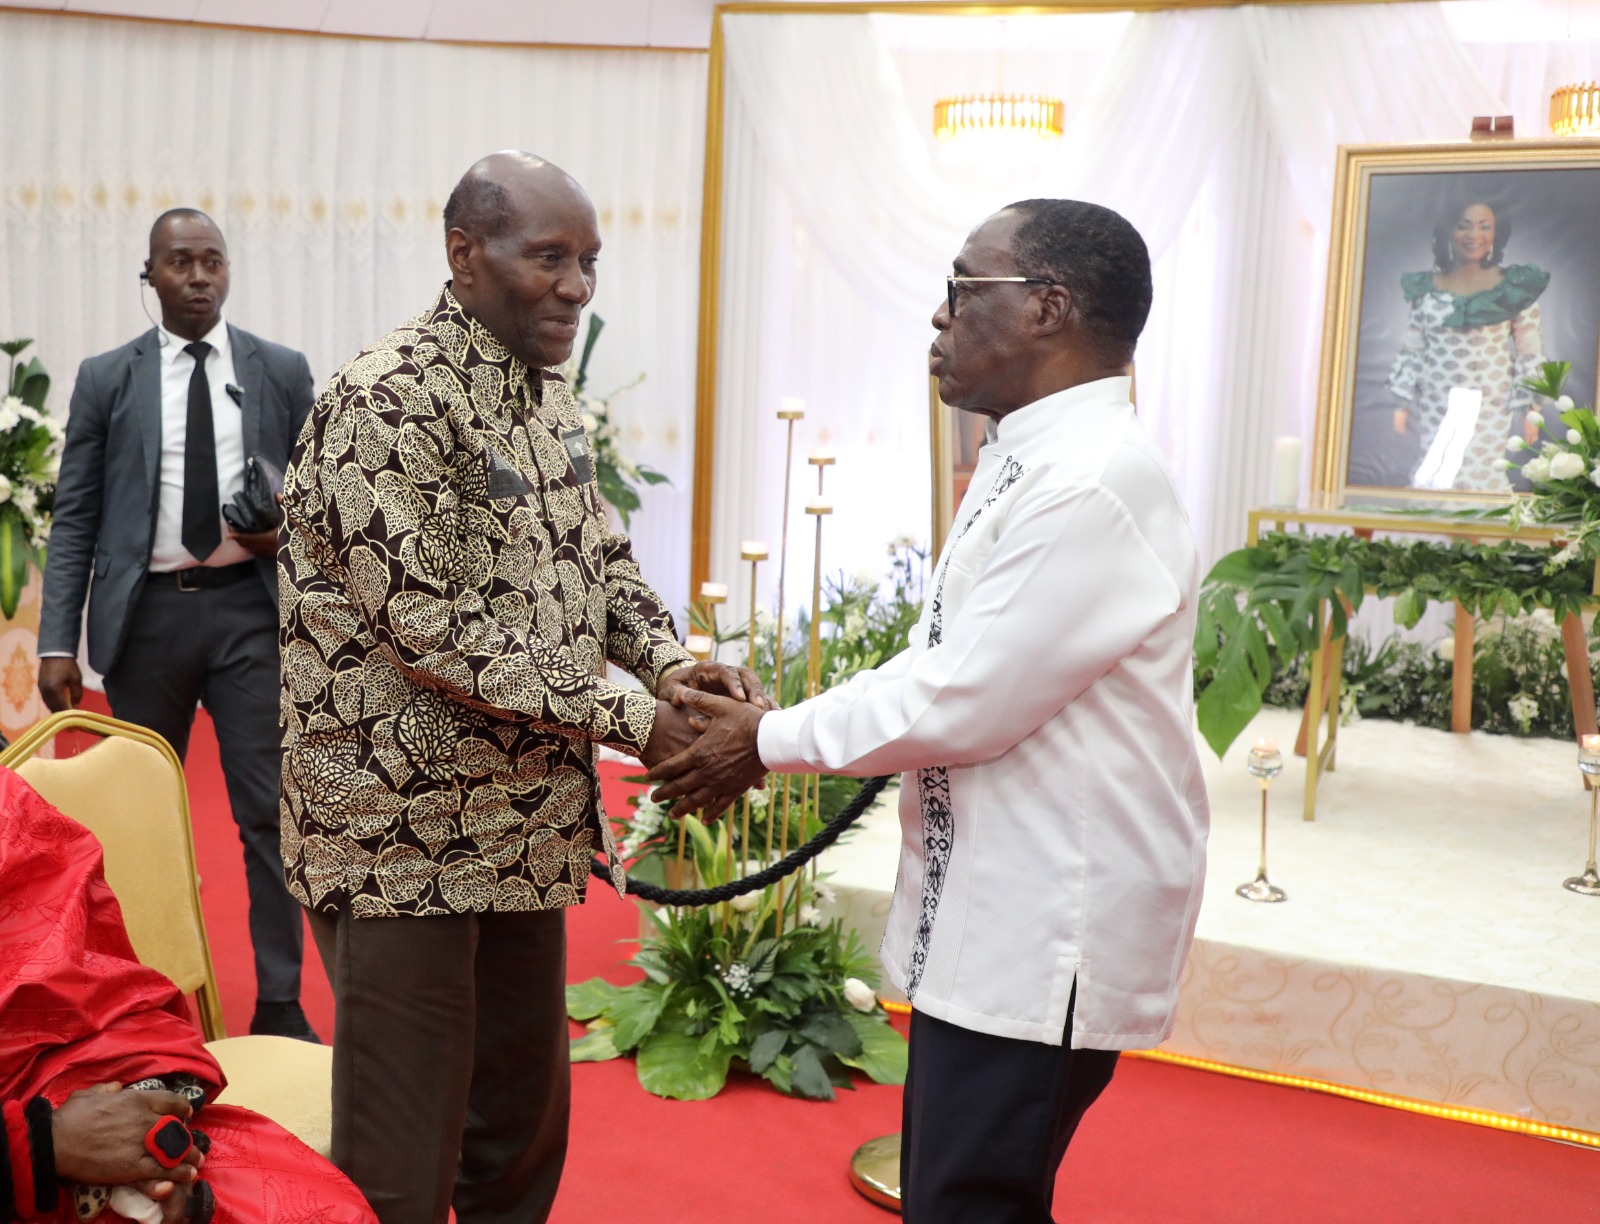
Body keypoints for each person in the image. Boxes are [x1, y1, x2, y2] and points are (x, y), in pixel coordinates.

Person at [648, 200, 1210, 1224]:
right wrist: (772, 728)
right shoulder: (1031, 454)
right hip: (1003, 899)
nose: (939, 317)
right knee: (953, 1194)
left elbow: (963, 699)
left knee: (967, 1204)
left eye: (963, 288)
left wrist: (763, 740)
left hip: (1050, 916)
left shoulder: (1090, 480)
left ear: (1047, 308)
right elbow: (945, 661)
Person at [279, 151, 767, 1224]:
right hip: (399, 838)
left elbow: (599, 563)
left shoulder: (546, 397)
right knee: (401, 1166)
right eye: (548, 257)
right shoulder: (388, 398)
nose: (576, 287)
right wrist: (637, 718)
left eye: (589, 261)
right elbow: (429, 627)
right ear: (465, 254)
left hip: (522, 827)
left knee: (516, 1145)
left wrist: (673, 666)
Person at [37, 209, 318, 1042]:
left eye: (213, 261)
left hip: (249, 614)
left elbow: (321, 502)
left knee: (269, 812)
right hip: (146, 620)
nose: (199, 276)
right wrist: (57, 642)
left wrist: (285, 534)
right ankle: (146, 1005)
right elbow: (75, 516)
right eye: (181, 262)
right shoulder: (105, 379)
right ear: (150, 275)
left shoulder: (279, 370)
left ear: (228, 271)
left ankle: (279, 1002)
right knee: (139, 818)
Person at [0, 766, 377, 1224]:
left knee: (317, 1206)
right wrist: (40, 1145)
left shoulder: (9, 801)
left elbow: (96, 987)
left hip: (91, 1084)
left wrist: (138, 1100)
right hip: (30, 1148)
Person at [1388, 198, 1548, 492]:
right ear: (1448, 232)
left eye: (1484, 227)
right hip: (1435, 402)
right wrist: (1402, 401)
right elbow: (1413, 348)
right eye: (1464, 226)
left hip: (1490, 405)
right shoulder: (1426, 288)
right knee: (1436, 472)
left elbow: (1529, 352)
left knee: (1480, 477)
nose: (1474, 235)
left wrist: (1531, 408)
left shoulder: (1513, 286)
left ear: (1496, 233)